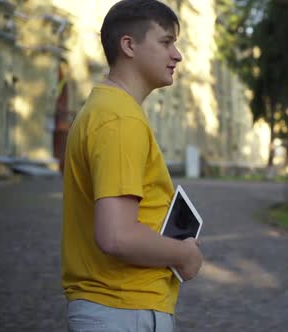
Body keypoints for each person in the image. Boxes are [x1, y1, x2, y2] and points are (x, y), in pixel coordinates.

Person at [61, 1, 203, 331]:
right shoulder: (119, 118)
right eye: (166, 42)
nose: (177, 55)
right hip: (124, 308)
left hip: (115, 307)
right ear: (129, 45)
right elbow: (116, 236)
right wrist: (184, 254)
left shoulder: (105, 109)